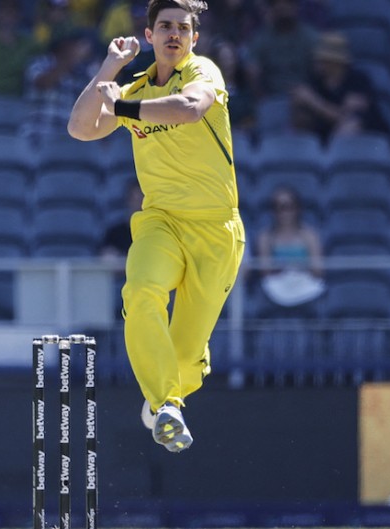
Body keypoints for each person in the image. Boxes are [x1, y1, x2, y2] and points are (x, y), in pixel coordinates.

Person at [67, 0, 245, 452]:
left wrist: (123, 108)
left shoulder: (204, 72)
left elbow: (187, 109)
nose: (173, 34)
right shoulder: (136, 86)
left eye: (182, 28)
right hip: (161, 222)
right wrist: (111, 64)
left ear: (193, 38)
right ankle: (166, 404)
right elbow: (80, 128)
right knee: (140, 291)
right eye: (164, 26)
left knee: (186, 357)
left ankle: (166, 400)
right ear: (149, 36)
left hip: (215, 230)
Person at [289, 32, 389, 144]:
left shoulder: (359, 81)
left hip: (365, 141)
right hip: (324, 141)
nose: (316, 62)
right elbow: (301, 119)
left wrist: (313, 101)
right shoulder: (315, 82)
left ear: (335, 62)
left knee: (349, 127)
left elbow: (348, 120)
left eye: (321, 60)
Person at [22, 28, 99, 145]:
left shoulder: (83, 70)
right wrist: (69, 61)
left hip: (69, 140)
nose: (79, 48)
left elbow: (97, 96)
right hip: (39, 135)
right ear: (63, 46)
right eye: (74, 45)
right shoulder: (40, 63)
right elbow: (43, 83)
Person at [256, 185, 325, 311]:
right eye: (278, 208)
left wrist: (297, 270)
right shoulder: (266, 237)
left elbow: (318, 271)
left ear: (297, 208)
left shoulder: (309, 235)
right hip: (278, 285)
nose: (284, 212)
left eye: (288, 207)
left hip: (305, 283)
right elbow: (265, 272)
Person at [245, 0, 319, 100]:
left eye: (288, 3)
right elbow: (252, 66)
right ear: (272, 9)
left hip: (304, 96)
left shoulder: (310, 36)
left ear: (296, 7)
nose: (283, 7)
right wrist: (261, 96)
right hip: (272, 96)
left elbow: (321, 71)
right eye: (277, 4)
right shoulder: (262, 38)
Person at [99, 177, 144, 258]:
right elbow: (105, 258)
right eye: (135, 200)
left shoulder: (154, 230)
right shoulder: (115, 234)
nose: (138, 204)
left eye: (141, 200)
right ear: (128, 200)